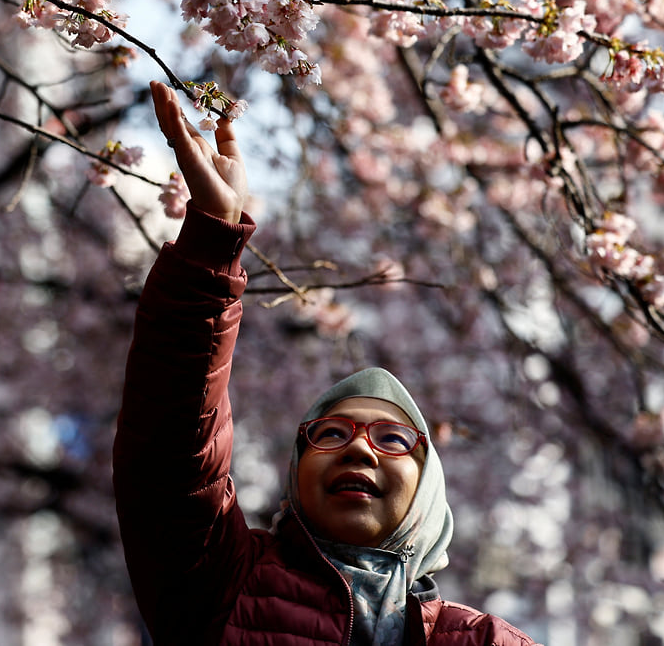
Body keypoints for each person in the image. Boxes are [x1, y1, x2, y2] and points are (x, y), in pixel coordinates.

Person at [113, 80, 540, 646]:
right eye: (330, 434)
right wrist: (212, 241)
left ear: (427, 486)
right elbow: (170, 449)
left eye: (392, 439)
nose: (360, 447)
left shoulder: (482, 642)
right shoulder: (225, 584)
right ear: (295, 478)